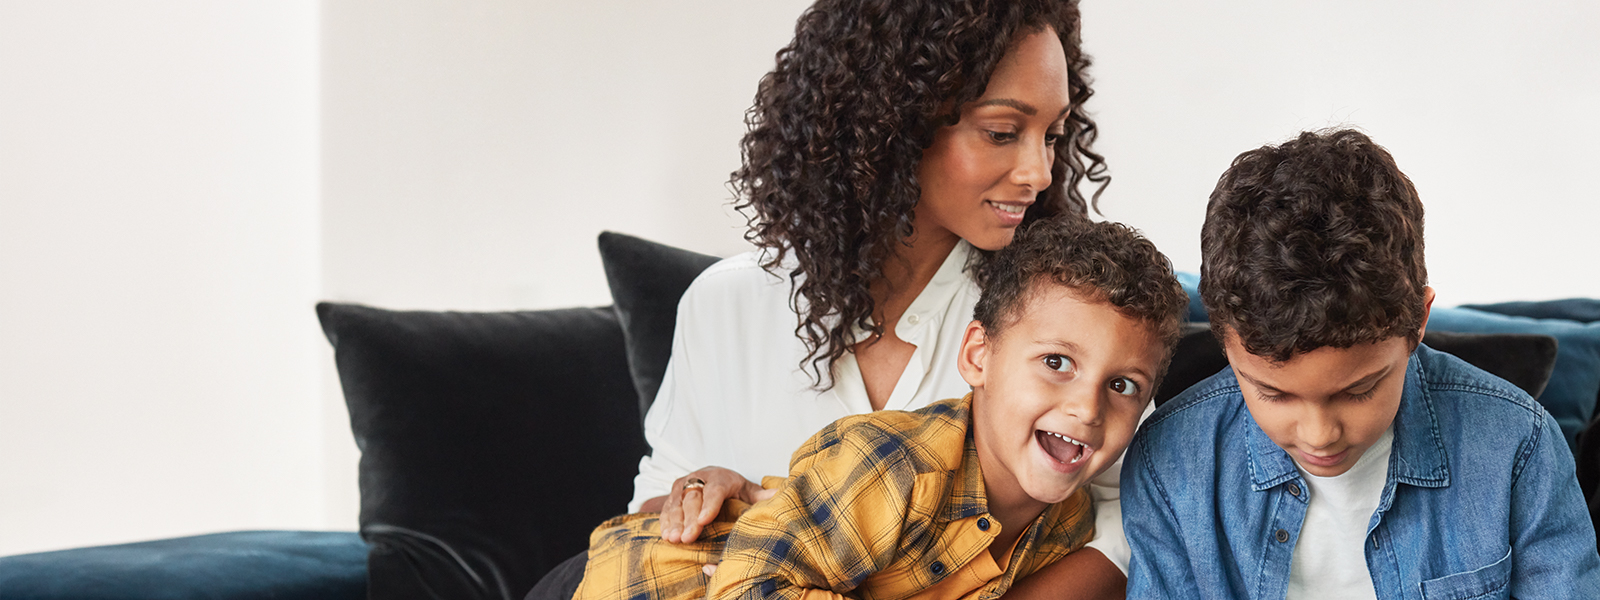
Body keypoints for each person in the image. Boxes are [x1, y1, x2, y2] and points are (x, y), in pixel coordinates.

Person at [527, 1, 1131, 597]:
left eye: (1052, 136)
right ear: (895, 122)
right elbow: (651, 516)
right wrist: (711, 495)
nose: (1040, 171)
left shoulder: (1051, 317)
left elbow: (1131, 525)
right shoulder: (728, 304)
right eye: (1002, 133)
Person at [573, 218, 1187, 600]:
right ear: (977, 357)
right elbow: (747, 584)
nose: (1086, 406)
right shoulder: (895, 464)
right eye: (1056, 362)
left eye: (1123, 386)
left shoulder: (1066, 530)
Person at [1120, 129, 1600, 599]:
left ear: (1419, 323)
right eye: (1273, 393)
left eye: (1358, 390)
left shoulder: (1519, 446)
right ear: (1224, 342)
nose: (1319, 434)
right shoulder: (1169, 464)